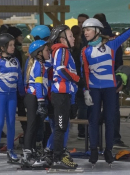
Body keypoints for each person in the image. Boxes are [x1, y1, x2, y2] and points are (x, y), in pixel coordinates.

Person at [81, 18, 130, 165]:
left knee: (110, 119)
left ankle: (108, 150)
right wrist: (86, 91)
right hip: (94, 89)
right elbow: (84, 71)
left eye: (88, 30)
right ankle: (93, 150)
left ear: (97, 31)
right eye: (84, 30)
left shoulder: (111, 45)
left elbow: (123, 36)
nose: (85, 33)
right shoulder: (85, 50)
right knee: (93, 120)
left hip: (110, 88)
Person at [0, 33, 25, 163]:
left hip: (12, 96)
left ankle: (10, 150)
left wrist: (22, 95)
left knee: (11, 123)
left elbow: (19, 79)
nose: (13, 47)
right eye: (10, 45)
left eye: (13, 45)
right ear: (2, 47)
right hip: (1, 95)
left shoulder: (16, 60)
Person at [93, 13, 126, 148]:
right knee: (113, 110)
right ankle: (114, 139)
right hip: (111, 80)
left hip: (95, 81)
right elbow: (119, 63)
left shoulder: (92, 39)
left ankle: (94, 141)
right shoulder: (114, 40)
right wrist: (119, 80)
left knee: (94, 110)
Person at [49, 25, 80, 169]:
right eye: (70, 35)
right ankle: (57, 158)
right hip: (60, 94)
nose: (73, 38)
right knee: (60, 127)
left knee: (62, 126)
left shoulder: (64, 50)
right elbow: (60, 68)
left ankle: (58, 155)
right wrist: (76, 78)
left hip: (64, 94)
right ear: (62, 39)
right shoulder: (62, 49)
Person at [21, 40, 51, 167]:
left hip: (35, 97)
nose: (48, 52)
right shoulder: (38, 65)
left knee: (37, 125)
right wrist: (40, 101)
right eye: (46, 50)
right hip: (33, 97)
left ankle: (32, 151)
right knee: (32, 125)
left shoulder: (41, 63)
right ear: (39, 53)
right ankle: (27, 154)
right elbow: (38, 84)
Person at [7, 27, 27, 134]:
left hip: (14, 88)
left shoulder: (17, 51)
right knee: (20, 110)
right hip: (16, 88)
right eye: (20, 35)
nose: (22, 37)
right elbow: (18, 72)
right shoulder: (16, 53)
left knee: (18, 111)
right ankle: (26, 131)